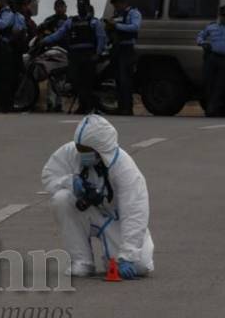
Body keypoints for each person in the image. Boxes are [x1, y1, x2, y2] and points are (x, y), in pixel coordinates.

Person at [42, 114, 155, 278]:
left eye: (87, 150)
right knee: (61, 199)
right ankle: (81, 260)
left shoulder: (124, 169)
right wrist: (69, 181)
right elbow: (49, 176)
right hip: (89, 214)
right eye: (79, 148)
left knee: (140, 266)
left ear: (101, 150)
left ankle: (117, 257)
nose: (81, 153)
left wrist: (128, 255)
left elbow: (135, 212)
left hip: (117, 221)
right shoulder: (70, 151)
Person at [41, 0, 107, 114]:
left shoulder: (94, 22)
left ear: (87, 8)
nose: (80, 9)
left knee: (87, 83)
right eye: (79, 7)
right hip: (75, 56)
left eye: (83, 7)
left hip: (88, 56)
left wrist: (97, 53)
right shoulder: (71, 22)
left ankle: (88, 106)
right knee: (76, 82)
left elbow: (101, 38)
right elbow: (59, 34)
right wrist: (44, 40)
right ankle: (83, 106)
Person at [106, 0, 142, 115]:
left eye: (116, 5)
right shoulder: (117, 14)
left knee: (125, 80)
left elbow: (135, 27)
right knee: (118, 80)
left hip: (127, 49)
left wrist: (116, 26)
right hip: (117, 49)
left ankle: (127, 107)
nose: (115, 8)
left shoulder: (133, 13)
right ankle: (121, 107)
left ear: (122, 3)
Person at [38, 0, 69, 112]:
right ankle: (51, 103)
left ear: (65, 8)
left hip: (64, 52)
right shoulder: (49, 21)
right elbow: (41, 30)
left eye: (62, 6)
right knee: (51, 78)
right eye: (58, 7)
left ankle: (59, 103)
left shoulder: (69, 21)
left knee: (61, 79)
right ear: (55, 8)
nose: (60, 9)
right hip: (51, 53)